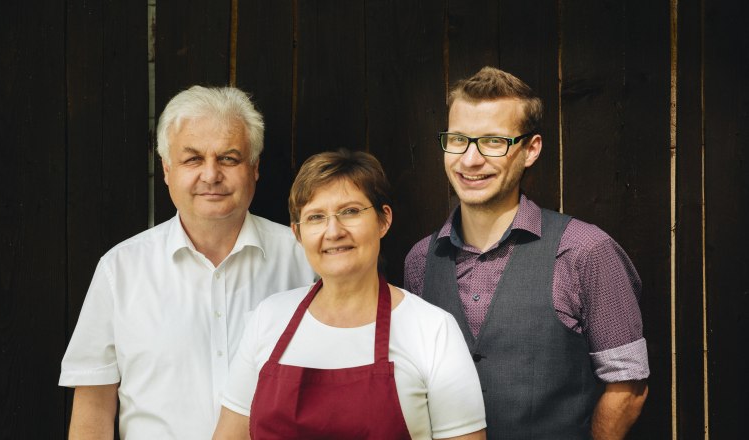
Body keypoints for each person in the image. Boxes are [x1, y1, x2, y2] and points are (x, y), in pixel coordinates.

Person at [404, 66, 649, 440]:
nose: (469, 160)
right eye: (458, 139)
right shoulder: (420, 261)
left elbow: (628, 388)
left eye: (493, 141)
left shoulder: (585, 250)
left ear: (531, 149)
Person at [59, 85, 315, 439]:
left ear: (255, 168)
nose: (211, 175)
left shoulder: (305, 259)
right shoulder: (121, 269)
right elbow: (94, 407)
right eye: (193, 159)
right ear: (166, 169)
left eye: (229, 158)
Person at [212, 150, 486, 440]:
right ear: (298, 234)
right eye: (316, 217)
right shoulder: (268, 318)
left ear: (383, 220)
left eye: (350, 211)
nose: (333, 231)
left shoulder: (433, 330)